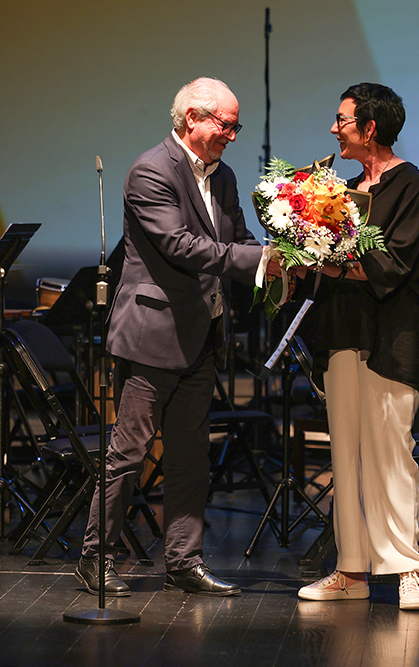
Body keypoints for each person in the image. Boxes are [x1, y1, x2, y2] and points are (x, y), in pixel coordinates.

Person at [76, 77, 276, 597]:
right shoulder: (150, 170)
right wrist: (259, 262)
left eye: (237, 126)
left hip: (201, 332)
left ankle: (183, 561)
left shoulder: (225, 176)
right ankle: (95, 558)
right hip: (152, 334)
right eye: (226, 124)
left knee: (191, 455)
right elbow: (182, 246)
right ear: (193, 118)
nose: (233, 135)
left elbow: (237, 239)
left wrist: (281, 256)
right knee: (130, 451)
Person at [297, 83, 419, 610]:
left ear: (370, 127)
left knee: (390, 452)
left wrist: (335, 262)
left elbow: (399, 263)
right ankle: (351, 569)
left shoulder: (414, 189)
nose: (334, 129)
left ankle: (405, 568)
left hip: (392, 337)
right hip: (342, 331)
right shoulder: (343, 191)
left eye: (342, 120)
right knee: (346, 454)